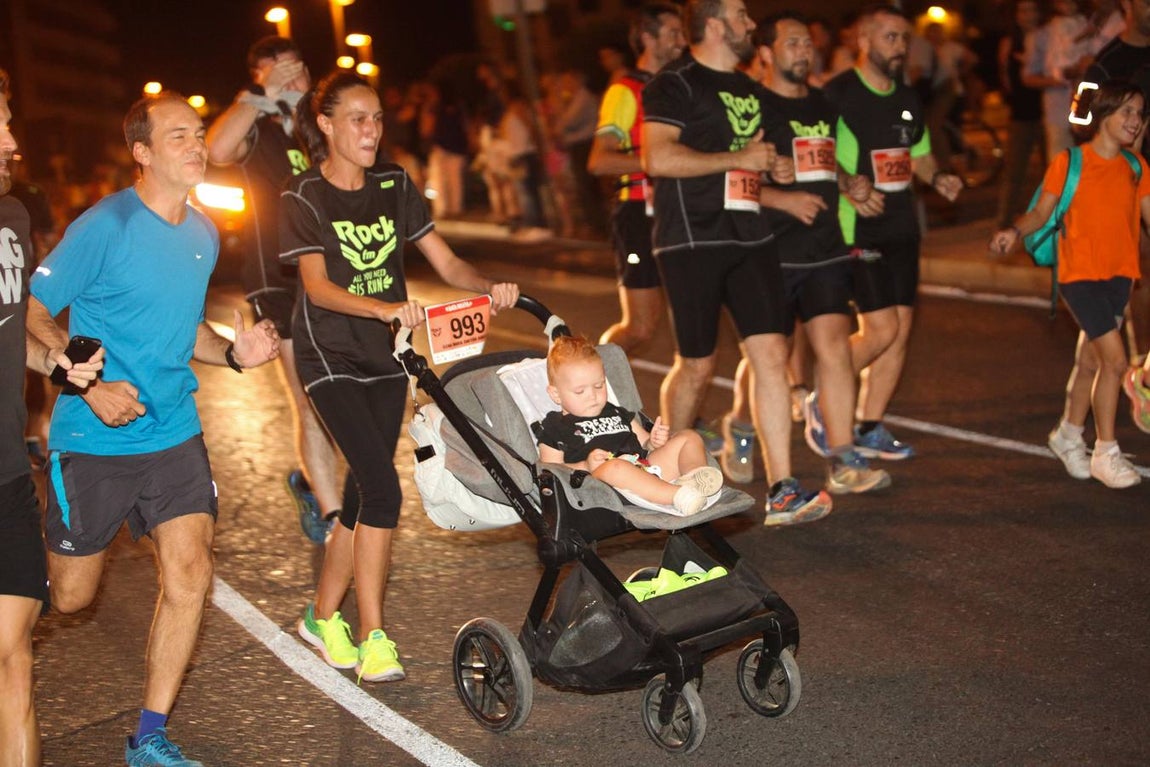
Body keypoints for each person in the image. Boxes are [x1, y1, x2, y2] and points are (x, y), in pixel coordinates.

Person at [26, 91, 281, 766]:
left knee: (191, 570)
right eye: (178, 137)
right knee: (72, 596)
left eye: (198, 134)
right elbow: (31, 308)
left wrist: (232, 350)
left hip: (173, 427)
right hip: (95, 439)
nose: (197, 146)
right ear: (141, 153)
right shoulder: (105, 226)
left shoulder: (201, 233)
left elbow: (188, 326)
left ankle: (149, 735)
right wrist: (85, 381)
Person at [281, 72, 519, 682]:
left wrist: (488, 286)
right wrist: (386, 307)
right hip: (329, 354)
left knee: (364, 495)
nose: (371, 130)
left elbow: (444, 259)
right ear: (327, 125)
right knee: (384, 490)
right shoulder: (302, 196)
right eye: (357, 118)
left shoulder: (394, 184)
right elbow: (317, 287)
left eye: (379, 118)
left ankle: (319, 617)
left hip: (388, 356)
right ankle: (374, 634)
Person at [641, 0, 833, 526]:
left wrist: (774, 170)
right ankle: (662, 480)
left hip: (750, 235)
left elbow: (753, 160)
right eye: (743, 16)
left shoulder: (751, 89)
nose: (752, 25)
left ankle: (783, 489)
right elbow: (656, 157)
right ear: (717, 24)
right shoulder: (674, 83)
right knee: (698, 366)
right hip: (691, 241)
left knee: (772, 354)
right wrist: (738, 159)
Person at [0, 67, 103, 767]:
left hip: (7, 472)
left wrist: (60, 366)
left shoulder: (11, 222)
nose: (12, 140)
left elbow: (12, 336)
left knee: (15, 661)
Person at [205, 36, 341, 544]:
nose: (292, 80)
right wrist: (259, 97)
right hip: (277, 278)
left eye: (298, 69)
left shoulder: (324, 128)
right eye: (278, 71)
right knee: (310, 398)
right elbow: (217, 150)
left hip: (337, 277)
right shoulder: (254, 129)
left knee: (345, 397)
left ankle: (312, 481)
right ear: (260, 76)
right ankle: (331, 517)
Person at [751, 11, 893, 495]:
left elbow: (828, 164)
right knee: (770, 356)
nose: (803, 50)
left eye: (807, 43)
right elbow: (729, 179)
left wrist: (849, 183)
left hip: (825, 247)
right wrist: (778, 196)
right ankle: (757, 450)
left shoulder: (823, 103)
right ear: (765, 53)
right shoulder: (754, 106)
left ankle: (843, 457)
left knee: (834, 348)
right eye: (792, 43)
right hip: (769, 250)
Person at [991, 80, 1150, 488]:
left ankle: (1067, 435)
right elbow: (1042, 212)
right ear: (1104, 115)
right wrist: (1013, 230)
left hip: (1119, 277)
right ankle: (1105, 452)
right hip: (1079, 277)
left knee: (1091, 362)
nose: (1135, 121)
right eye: (1127, 112)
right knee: (1115, 362)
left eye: (1139, 113)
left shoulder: (1136, 168)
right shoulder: (1071, 162)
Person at [823, 4, 963, 463]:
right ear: (863, 39)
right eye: (889, 37)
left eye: (903, 38)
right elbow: (815, 153)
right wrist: (849, 183)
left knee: (899, 333)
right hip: (857, 225)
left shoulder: (907, 96)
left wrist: (939, 177)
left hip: (903, 224)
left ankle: (869, 424)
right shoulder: (839, 94)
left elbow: (918, 154)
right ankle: (828, 396)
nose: (900, 47)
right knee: (880, 330)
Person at [533, 336, 723, 515]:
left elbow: (645, 444)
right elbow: (551, 471)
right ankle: (678, 496)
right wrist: (585, 465)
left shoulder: (615, 411)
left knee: (688, 437)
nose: (592, 395)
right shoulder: (555, 427)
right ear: (556, 394)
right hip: (608, 487)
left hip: (647, 469)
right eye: (580, 391)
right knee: (615, 466)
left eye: (599, 386)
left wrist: (654, 441)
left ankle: (694, 478)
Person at [590, 2, 685, 354]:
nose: (681, 41)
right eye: (673, 33)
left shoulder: (680, 86)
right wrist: (657, 159)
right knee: (641, 327)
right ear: (647, 36)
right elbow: (599, 161)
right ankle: (590, 383)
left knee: (692, 320)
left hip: (681, 213)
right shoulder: (624, 90)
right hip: (637, 214)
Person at [1073, 0, 1150, 422]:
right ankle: (1136, 375)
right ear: (1128, 5)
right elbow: (1078, 120)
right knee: (1137, 285)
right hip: (1128, 188)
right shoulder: (1105, 65)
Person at [996, 0, 1047, 230]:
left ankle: (1049, 222)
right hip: (1020, 114)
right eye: (1023, 11)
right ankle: (1004, 223)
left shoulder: (1048, 39)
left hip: (1047, 112)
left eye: (1032, 10)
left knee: (1051, 170)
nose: (1028, 15)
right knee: (1014, 172)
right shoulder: (1009, 43)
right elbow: (1006, 80)